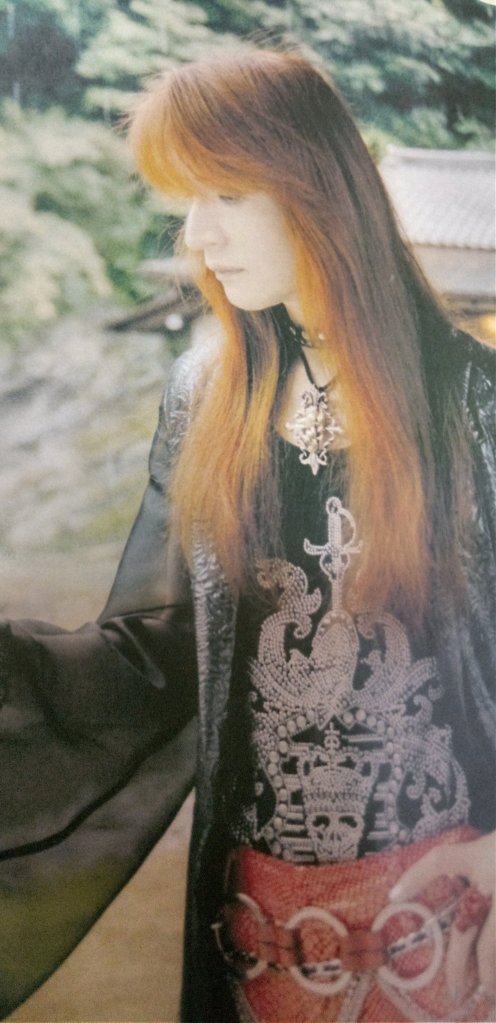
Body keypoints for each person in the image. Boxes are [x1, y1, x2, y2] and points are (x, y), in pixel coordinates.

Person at [0, 46, 494, 1023]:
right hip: (257, 937)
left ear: (317, 187)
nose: (198, 234)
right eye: (187, 201)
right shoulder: (207, 399)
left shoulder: (472, 405)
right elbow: (155, 658)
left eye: (225, 193)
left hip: (447, 931)